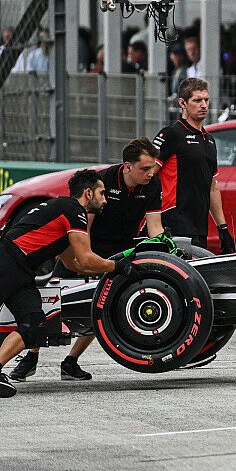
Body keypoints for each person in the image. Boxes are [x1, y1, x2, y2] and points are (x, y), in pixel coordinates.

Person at [8, 138, 164, 383]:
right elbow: (83, 227)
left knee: (98, 302)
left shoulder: (153, 185)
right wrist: (86, 261)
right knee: (53, 296)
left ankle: (70, 362)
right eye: (145, 168)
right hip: (85, 243)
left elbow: (155, 227)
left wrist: (161, 247)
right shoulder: (102, 183)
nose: (151, 173)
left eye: (153, 167)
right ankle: (31, 356)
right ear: (127, 166)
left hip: (120, 248)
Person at [0, 169, 137, 397]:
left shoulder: (62, 210)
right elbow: (85, 258)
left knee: (34, 324)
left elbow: (74, 264)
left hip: (22, 271)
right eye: (101, 193)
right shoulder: (74, 211)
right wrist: (117, 267)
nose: (105, 199)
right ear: (88, 194)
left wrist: (110, 267)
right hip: (6, 261)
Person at [153, 78, 235, 253]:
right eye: (197, 100)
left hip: (199, 225)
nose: (203, 105)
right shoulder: (171, 134)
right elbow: (147, 174)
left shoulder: (209, 140)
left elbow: (213, 187)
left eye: (206, 100)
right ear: (182, 103)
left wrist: (223, 228)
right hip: (173, 222)